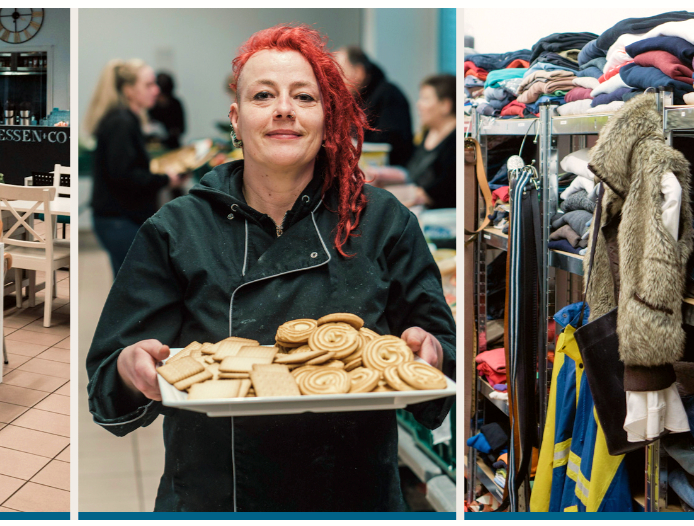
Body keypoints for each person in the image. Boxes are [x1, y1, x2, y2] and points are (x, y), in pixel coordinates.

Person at [85, 24, 456, 511]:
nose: (284, 108)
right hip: (214, 495)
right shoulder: (176, 229)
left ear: (327, 116)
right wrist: (130, 369)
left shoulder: (385, 221)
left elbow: (439, 352)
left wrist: (428, 353)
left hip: (355, 495)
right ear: (236, 120)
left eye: (304, 96)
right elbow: (105, 385)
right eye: (264, 95)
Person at [84, 59, 185, 276]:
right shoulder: (121, 122)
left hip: (120, 218)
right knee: (135, 290)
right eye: (148, 85)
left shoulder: (126, 119)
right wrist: (166, 179)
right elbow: (124, 175)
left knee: (130, 289)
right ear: (129, 90)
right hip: (119, 220)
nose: (156, 90)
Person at [366, 74, 457, 209]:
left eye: (425, 99)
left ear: (445, 105)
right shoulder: (427, 134)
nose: (419, 104)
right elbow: (413, 175)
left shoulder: (455, 142)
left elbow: (432, 193)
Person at [335, 46, 414, 166]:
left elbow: (390, 143)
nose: (336, 82)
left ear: (358, 72)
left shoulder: (389, 95)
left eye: (340, 74)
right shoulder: (353, 99)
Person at [149, 72, 186, 150]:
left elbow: (182, 129)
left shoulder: (176, 104)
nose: (161, 99)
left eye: (164, 96)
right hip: (153, 148)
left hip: (173, 147)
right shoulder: (150, 104)